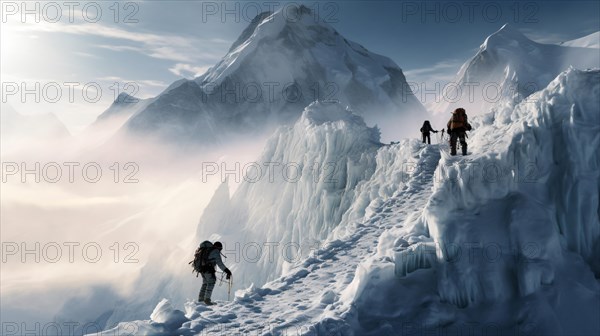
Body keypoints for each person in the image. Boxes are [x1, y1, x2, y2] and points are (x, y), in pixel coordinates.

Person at [198, 241, 232, 305]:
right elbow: (220, 264)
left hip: (202, 269)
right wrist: (227, 271)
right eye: (220, 249)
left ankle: (201, 300)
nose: (220, 250)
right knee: (211, 282)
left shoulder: (207, 250)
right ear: (218, 247)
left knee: (205, 283)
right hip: (208, 269)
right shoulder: (215, 251)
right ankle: (207, 300)